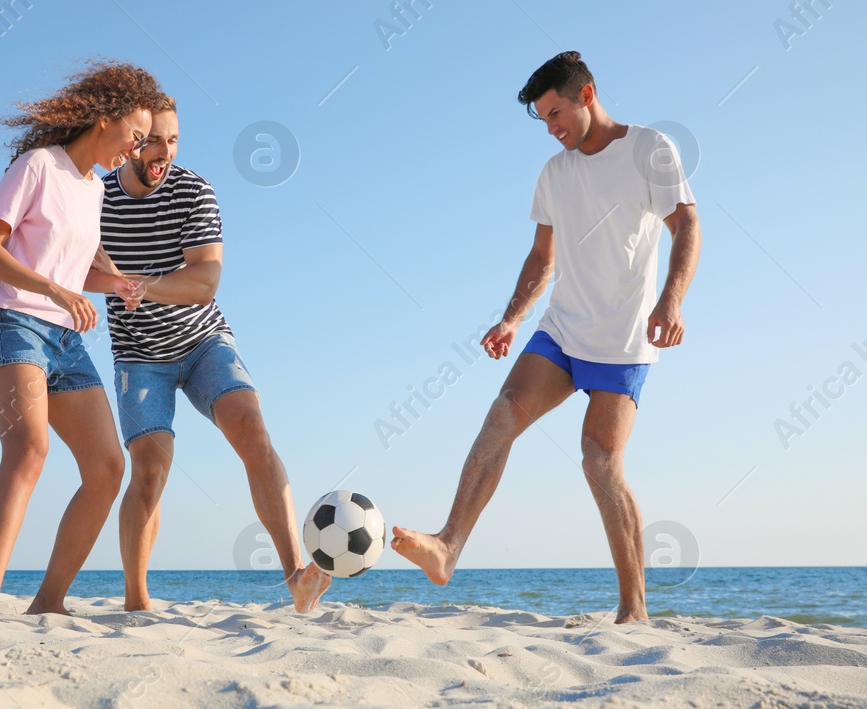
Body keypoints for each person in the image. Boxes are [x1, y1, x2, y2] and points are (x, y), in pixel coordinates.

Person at [391, 51, 701, 624]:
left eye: (557, 113)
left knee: (599, 461)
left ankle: (633, 609)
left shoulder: (649, 148)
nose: (552, 128)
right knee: (504, 411)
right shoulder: (555, 173)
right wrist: (511, 318)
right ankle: (447, 546)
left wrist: (672, 299)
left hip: (625, 338)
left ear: (586, 95)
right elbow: (541, 256)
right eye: (543, 119)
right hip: (561, 329)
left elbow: (686, 224)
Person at [81, 96, 331, 613]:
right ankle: (136, 601)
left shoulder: (194, 190)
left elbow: (204, 281)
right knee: (149, 469)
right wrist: (108, 278)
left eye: (172, 140)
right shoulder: (94, 196)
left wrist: (135, 285)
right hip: (138, 354)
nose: (162, 152)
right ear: (129, 139)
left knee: (252, 430)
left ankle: (295, 578)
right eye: (152, 140)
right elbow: (75, 266)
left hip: (202, 341)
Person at [0, 60, 165, 621]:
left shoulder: (95, 189)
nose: (137, 148)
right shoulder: (37, 166)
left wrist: (120, 284)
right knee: (28, 451)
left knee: (106, 467)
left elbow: (76, 274)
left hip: (65, 341)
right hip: (12, 325)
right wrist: (54, 290)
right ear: (104, 118)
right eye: (135, 134)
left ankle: (48, 601)